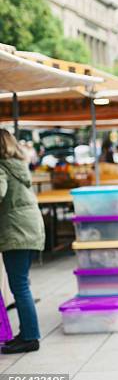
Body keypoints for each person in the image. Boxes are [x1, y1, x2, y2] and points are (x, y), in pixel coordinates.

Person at [0, 129, 45, 354]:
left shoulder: (1, 167)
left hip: (17, 232)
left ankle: (30, 337)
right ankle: (27, 332)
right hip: (31, 229)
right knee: (23, 285)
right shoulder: (17, 165)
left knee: (20, 286)